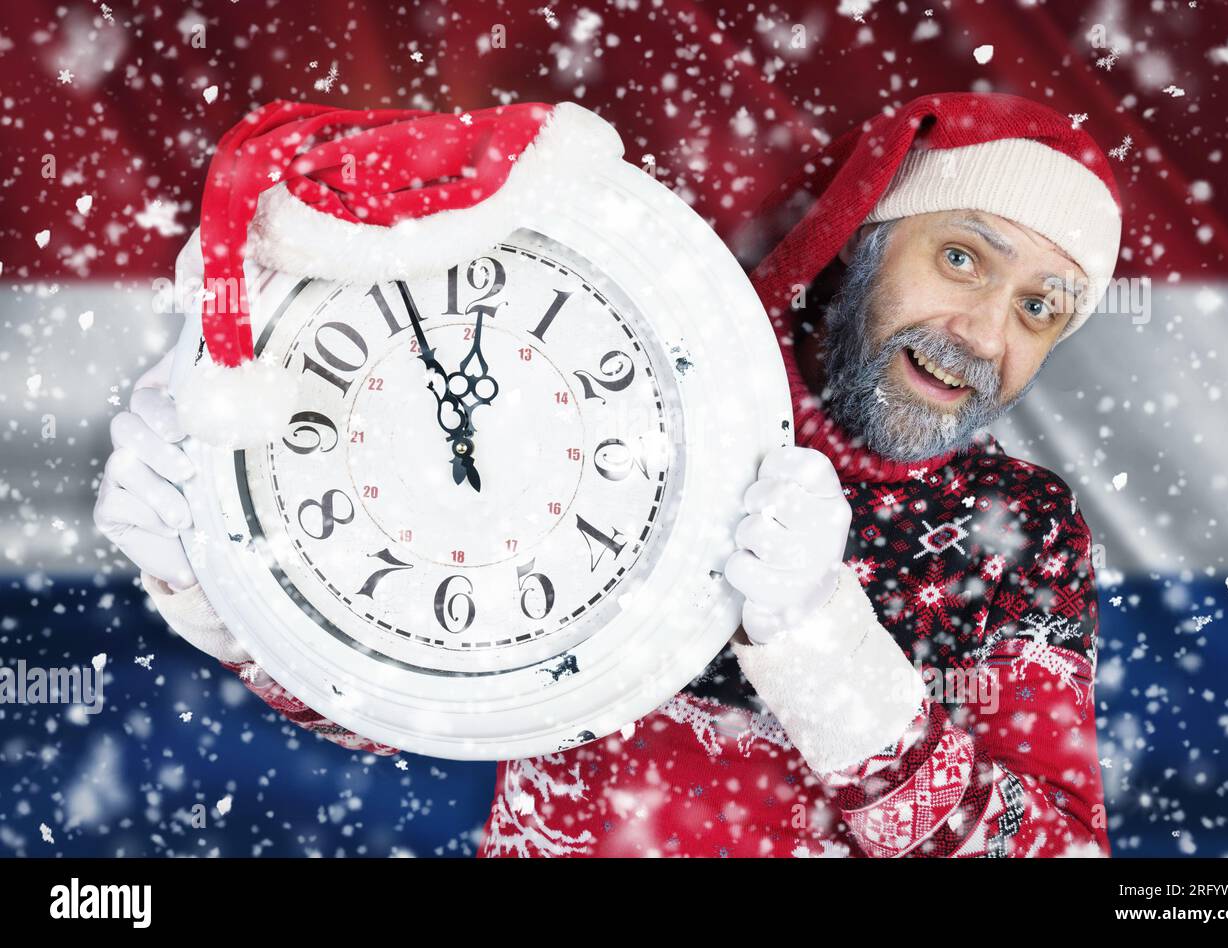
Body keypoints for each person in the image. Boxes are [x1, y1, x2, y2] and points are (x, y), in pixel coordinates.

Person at [95, 91, 1121, 857]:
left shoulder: (1014, 525)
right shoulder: (657, 387)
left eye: (1041, 307)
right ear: (865, 243)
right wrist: (221, 584)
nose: (984, 333)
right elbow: (418, 700)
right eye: (960, 259)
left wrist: (823, 641)